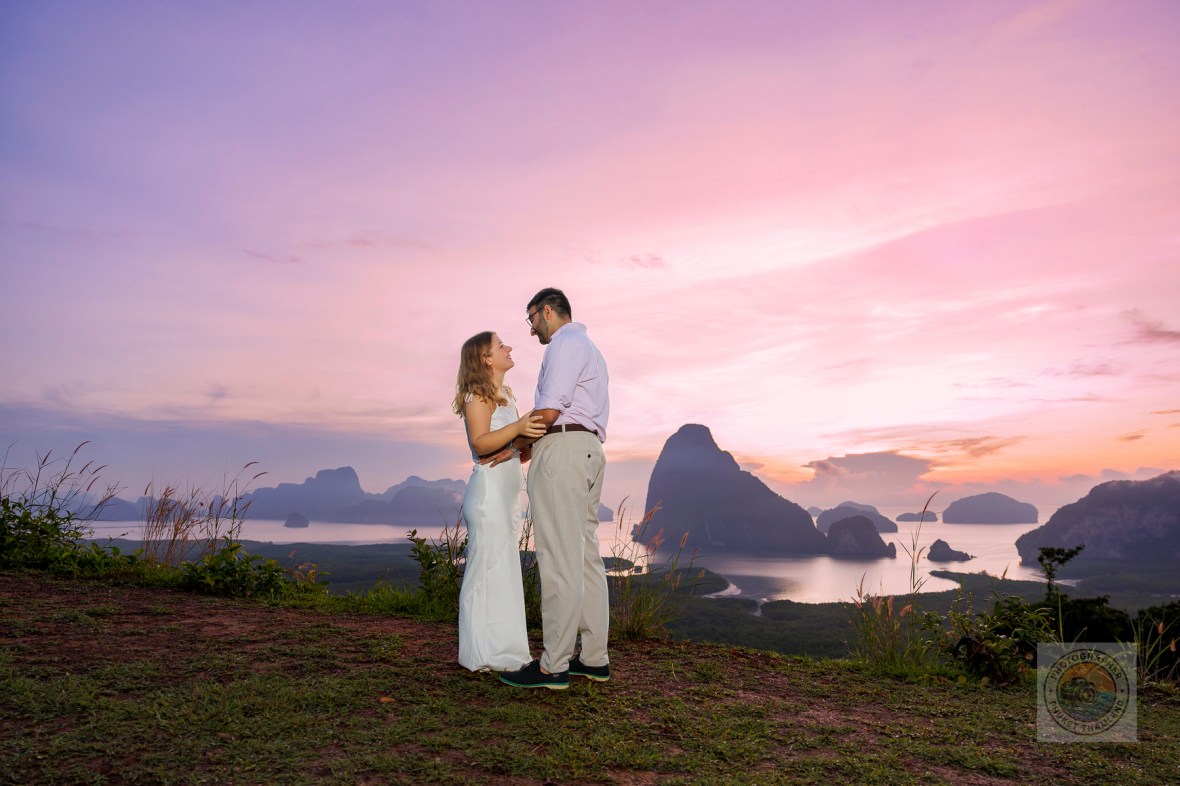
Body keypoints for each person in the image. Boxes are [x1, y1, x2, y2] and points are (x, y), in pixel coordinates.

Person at [498, 288, 611, 690]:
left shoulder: (565, 344)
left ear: (547, 311)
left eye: (531, 320)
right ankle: (594, 659)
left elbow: (549, 409)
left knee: (559, 560)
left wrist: (514, 448)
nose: (531, 331)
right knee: (584, 559)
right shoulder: (590, 348)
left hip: (563, 450)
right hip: (588, 450)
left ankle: (553, 666)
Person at [453, 331, 546, 672]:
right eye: (500, 345)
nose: (509, 348)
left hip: (505, 496)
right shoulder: (476, 395)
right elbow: (480, 443)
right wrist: (519, 428)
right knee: (484, 569)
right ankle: (479, 653)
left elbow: (504, 447)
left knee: (503, 569)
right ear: (487, 359)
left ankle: (505, 651)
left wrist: (520, 446)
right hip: (489, 495)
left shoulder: (504, 394)